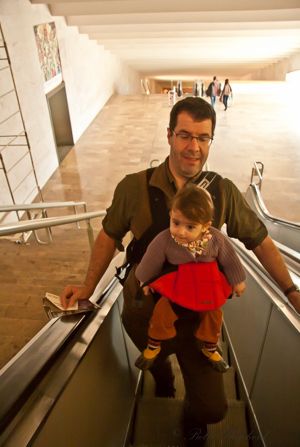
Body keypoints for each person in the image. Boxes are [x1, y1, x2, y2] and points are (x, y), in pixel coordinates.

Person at [61, 97, 300, 446]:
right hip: (144, 316)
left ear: (211, 141)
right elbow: (109, 236)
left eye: (203, 138)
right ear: (169, 135)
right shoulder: (134, 187)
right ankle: (164, 379)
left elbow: (260, 240)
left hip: (197, 321)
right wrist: (87, 286)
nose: (194, 147)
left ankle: (193, 412)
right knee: (156, 362)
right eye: (185, 135)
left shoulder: (222, 191)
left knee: (213, 409)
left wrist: (291, 290)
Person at [134, 185, 246, 374]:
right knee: (162, 310)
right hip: (179, 283)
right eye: (176, 222)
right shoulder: (165, 239)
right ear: (171, 214)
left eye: (190, 227)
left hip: (208, 284)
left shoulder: (216, 239)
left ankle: (210, 347)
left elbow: (230, 259)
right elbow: (152, 258)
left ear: (206, 226)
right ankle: (154, 344)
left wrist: (237, 280)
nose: (180, 232)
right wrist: (145, 281)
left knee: (214, 314)